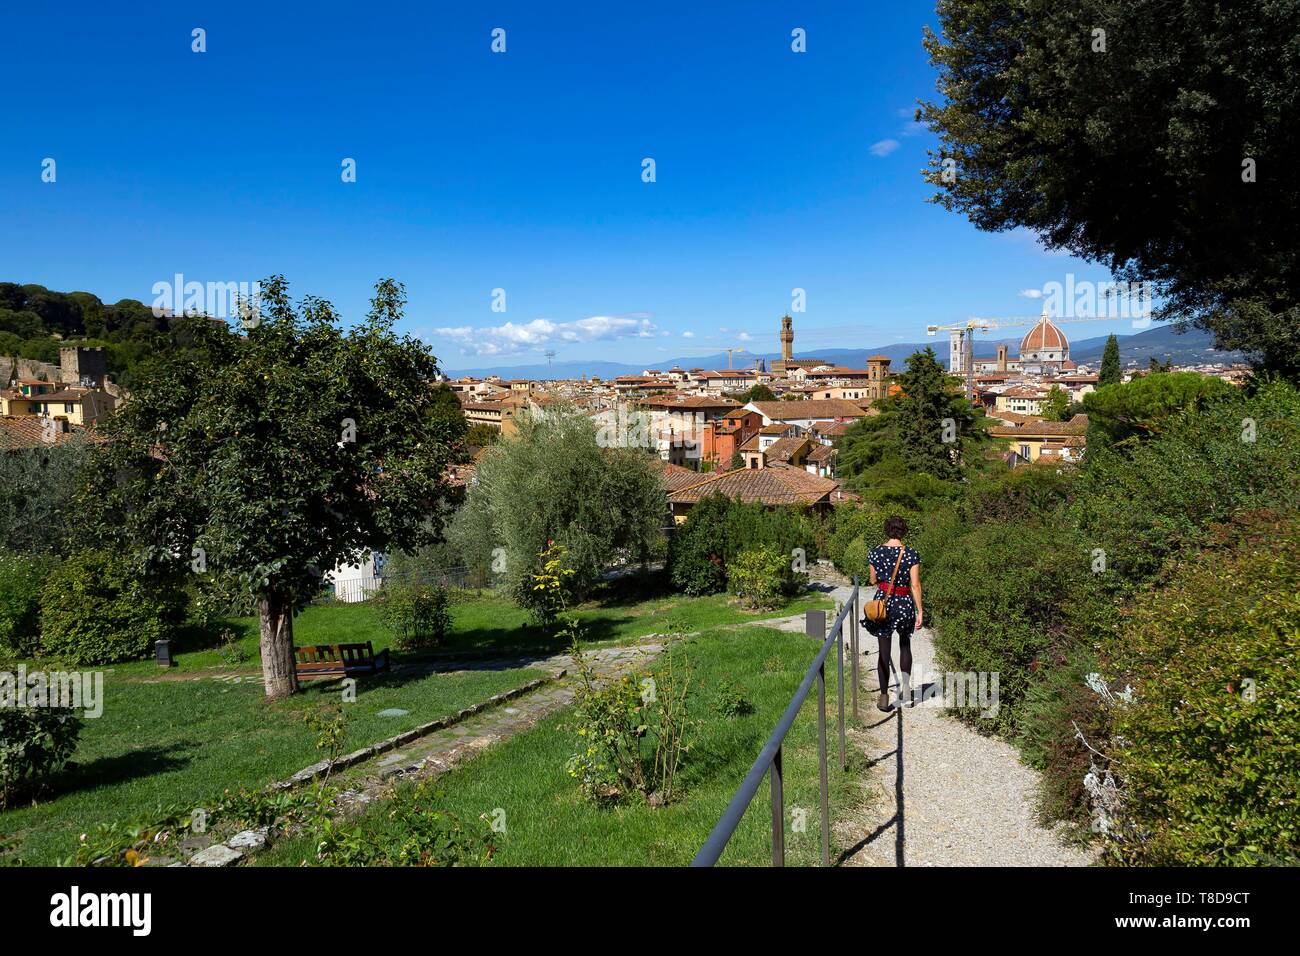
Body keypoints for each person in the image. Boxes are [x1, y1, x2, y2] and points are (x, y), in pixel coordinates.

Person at [863, 515, 923, 711]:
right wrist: (920, 610)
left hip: (884, 604)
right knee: (905, 646)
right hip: (905, 603)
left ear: (887, 530)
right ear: (903, 531)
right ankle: (906, 691)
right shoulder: (911, 554)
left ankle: (883, 696)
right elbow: (915, 584)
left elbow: (873, 580)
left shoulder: (875, 552)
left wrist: (883, 579)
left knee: (884, 650)